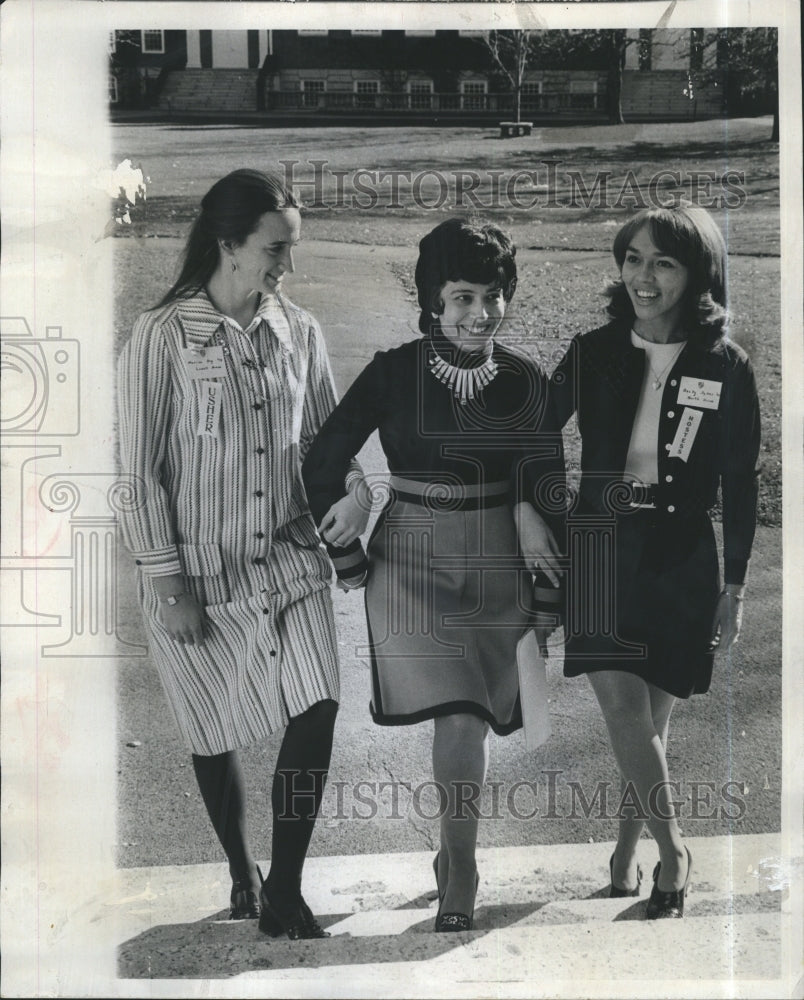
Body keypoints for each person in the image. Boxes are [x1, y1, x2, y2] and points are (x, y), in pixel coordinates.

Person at [116, 169, 368, 939]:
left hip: (290, 564)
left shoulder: (300, 330)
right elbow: (137, 473)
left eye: (291, 249)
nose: (286, 267)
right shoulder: (160, 337)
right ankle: (240, 869)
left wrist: (360, 492)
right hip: (198, 575)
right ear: (227, 244)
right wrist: (167, 582)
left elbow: (332, 444)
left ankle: (285, 887)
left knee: (318, 705)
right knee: (211, 728)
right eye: (275, 249)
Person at [302, 218, 565, 932]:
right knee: (456, 714)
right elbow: (321, 461)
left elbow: (547, 489)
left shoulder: (525, 378)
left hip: (498, 565)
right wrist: (348, 554)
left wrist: (547, 599)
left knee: (469, 721)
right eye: (461, 297)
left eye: (492, 295)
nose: (479, 313)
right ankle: (462, 869)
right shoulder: (392, 369)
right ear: (432, 301)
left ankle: (457, 861)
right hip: (410, 565)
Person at [549, 204, 761, 918]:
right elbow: (530, 429)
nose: (643, 276)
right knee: (621, 707)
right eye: (633, 258)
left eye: (663, 262)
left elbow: (740, 480)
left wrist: (734, 585)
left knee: (652, 722)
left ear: (697, 273)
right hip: (601, 547)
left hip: (681, 557)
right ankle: (675, 855)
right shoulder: (593, 350)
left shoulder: (725, 365)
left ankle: (625, 850)